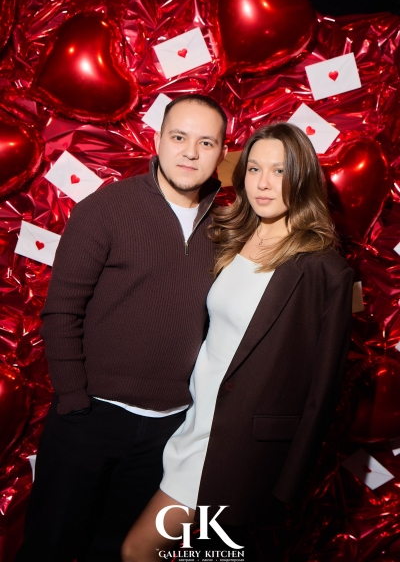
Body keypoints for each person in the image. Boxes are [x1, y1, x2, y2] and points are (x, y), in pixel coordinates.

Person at [121, 122, 354, 562]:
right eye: (254, 169)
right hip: (189, 423)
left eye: (279, 171)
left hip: (237, 446)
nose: (263, 183)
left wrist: (288, 484)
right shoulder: (229, 238)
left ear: (302, 178)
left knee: (137, 550)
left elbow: (322, 392)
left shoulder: (324, 271)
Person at [15, 95, 228, 562]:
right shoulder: (106, 208)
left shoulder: (228, 227)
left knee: (118, 553)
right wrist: (75, 402)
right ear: (158, 140)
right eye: (179, 137)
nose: (190, 152)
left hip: (169, 429)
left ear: (221, 152)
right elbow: (61, 311)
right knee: (50, 547)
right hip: (91, 416)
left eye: (206, 142)